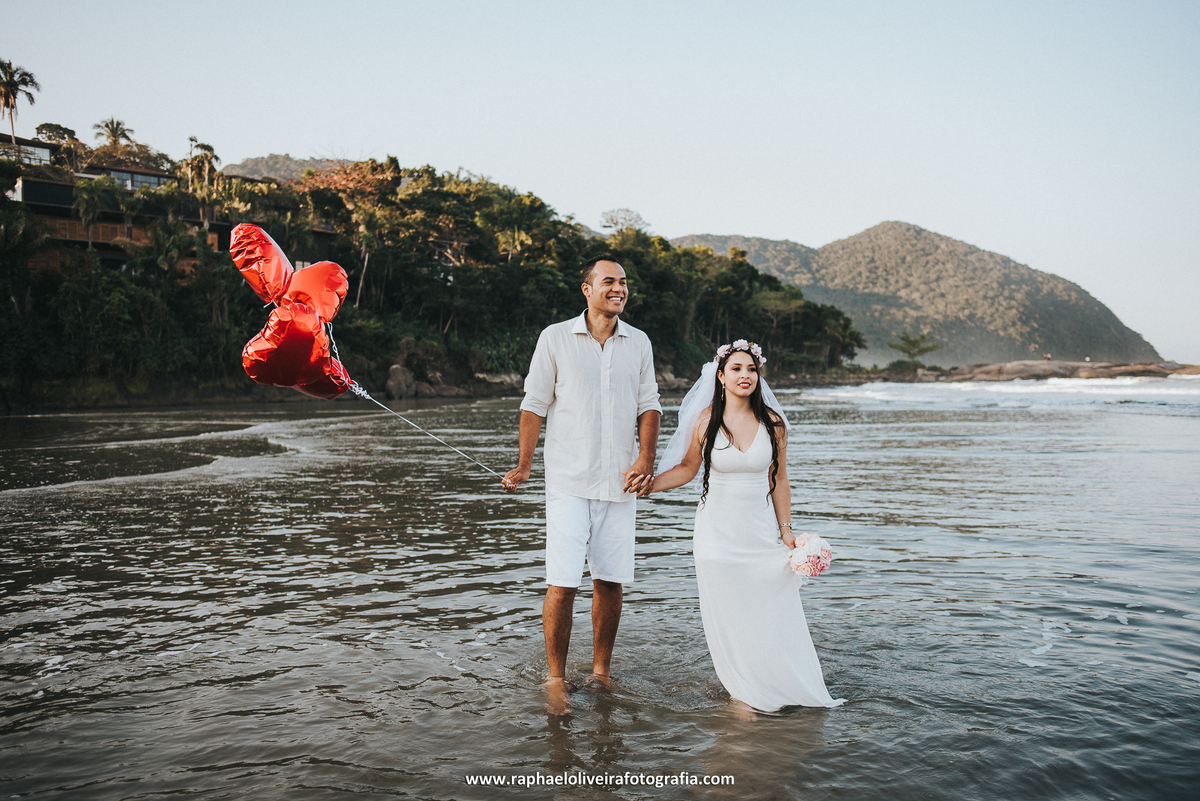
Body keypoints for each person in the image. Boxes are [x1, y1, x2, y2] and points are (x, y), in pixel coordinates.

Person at [631, 340, 844, 712]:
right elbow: (686, 469)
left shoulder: (773, 424)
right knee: (730, 617)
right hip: (716, 536)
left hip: (761, 536)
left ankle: (783, 683)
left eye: (751, 369)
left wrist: (786, 530)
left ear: (758, 375)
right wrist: (646, 485)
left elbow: (779, 479)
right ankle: (743, 692)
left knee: (772, 613)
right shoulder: (706, 420)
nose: (745, 375)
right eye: (736, 369)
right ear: (721, 376)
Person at [502, 254, 662, 714]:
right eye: (609, 281)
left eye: (624, 282)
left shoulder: (639, 342)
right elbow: (534, 404)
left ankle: (601, 673)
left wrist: (646, 457)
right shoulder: (555, 338)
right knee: (563, 581)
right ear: (587, 289)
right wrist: (525, 464)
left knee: (611, 582)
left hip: (621, 482)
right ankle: (555, 679)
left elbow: (648, 406)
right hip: (568, 479)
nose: (619, 288)